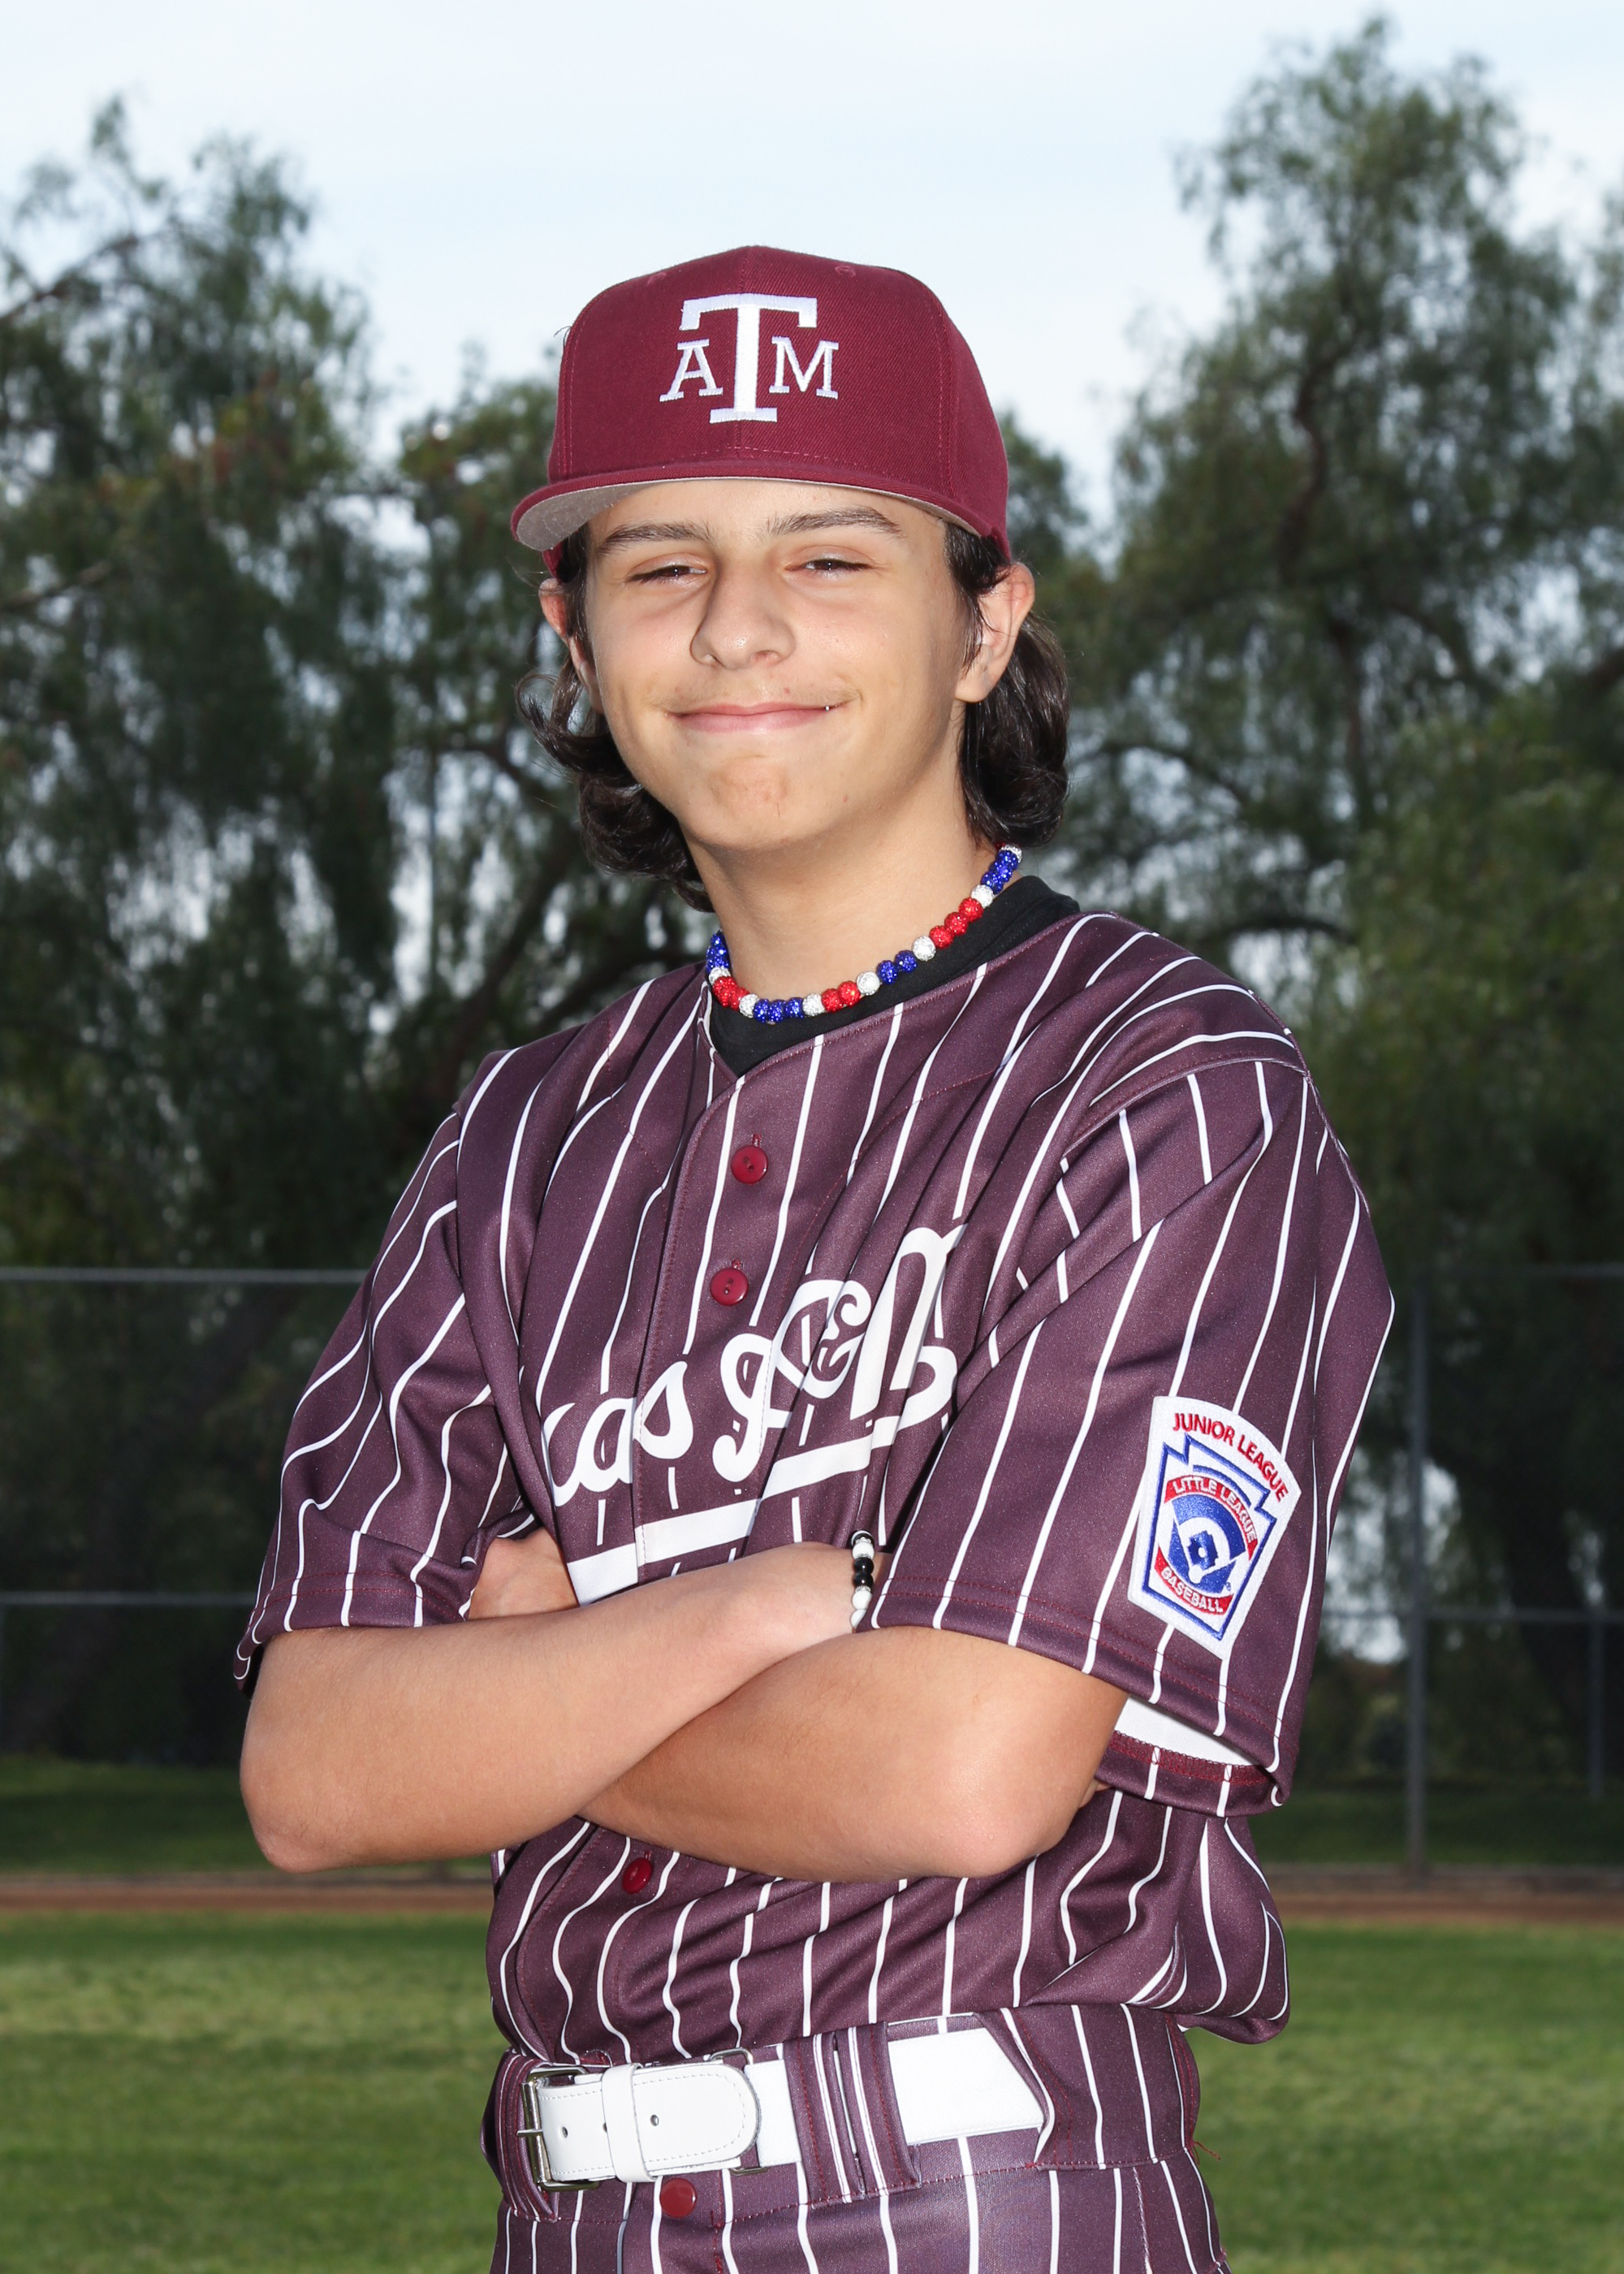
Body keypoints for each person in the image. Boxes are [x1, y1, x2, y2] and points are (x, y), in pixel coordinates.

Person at [238, 245, 1391, 2273]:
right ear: (574, 634)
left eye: (831, 556)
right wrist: (767, 1605)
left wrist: (532, 1668)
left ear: (983, 623)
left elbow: (964, 1767)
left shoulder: (1165, 1084)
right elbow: (315, 1766)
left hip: (977, 2185)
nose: (737, 624)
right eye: (658, 561)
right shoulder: (520, 1138)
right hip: (565, 2210)